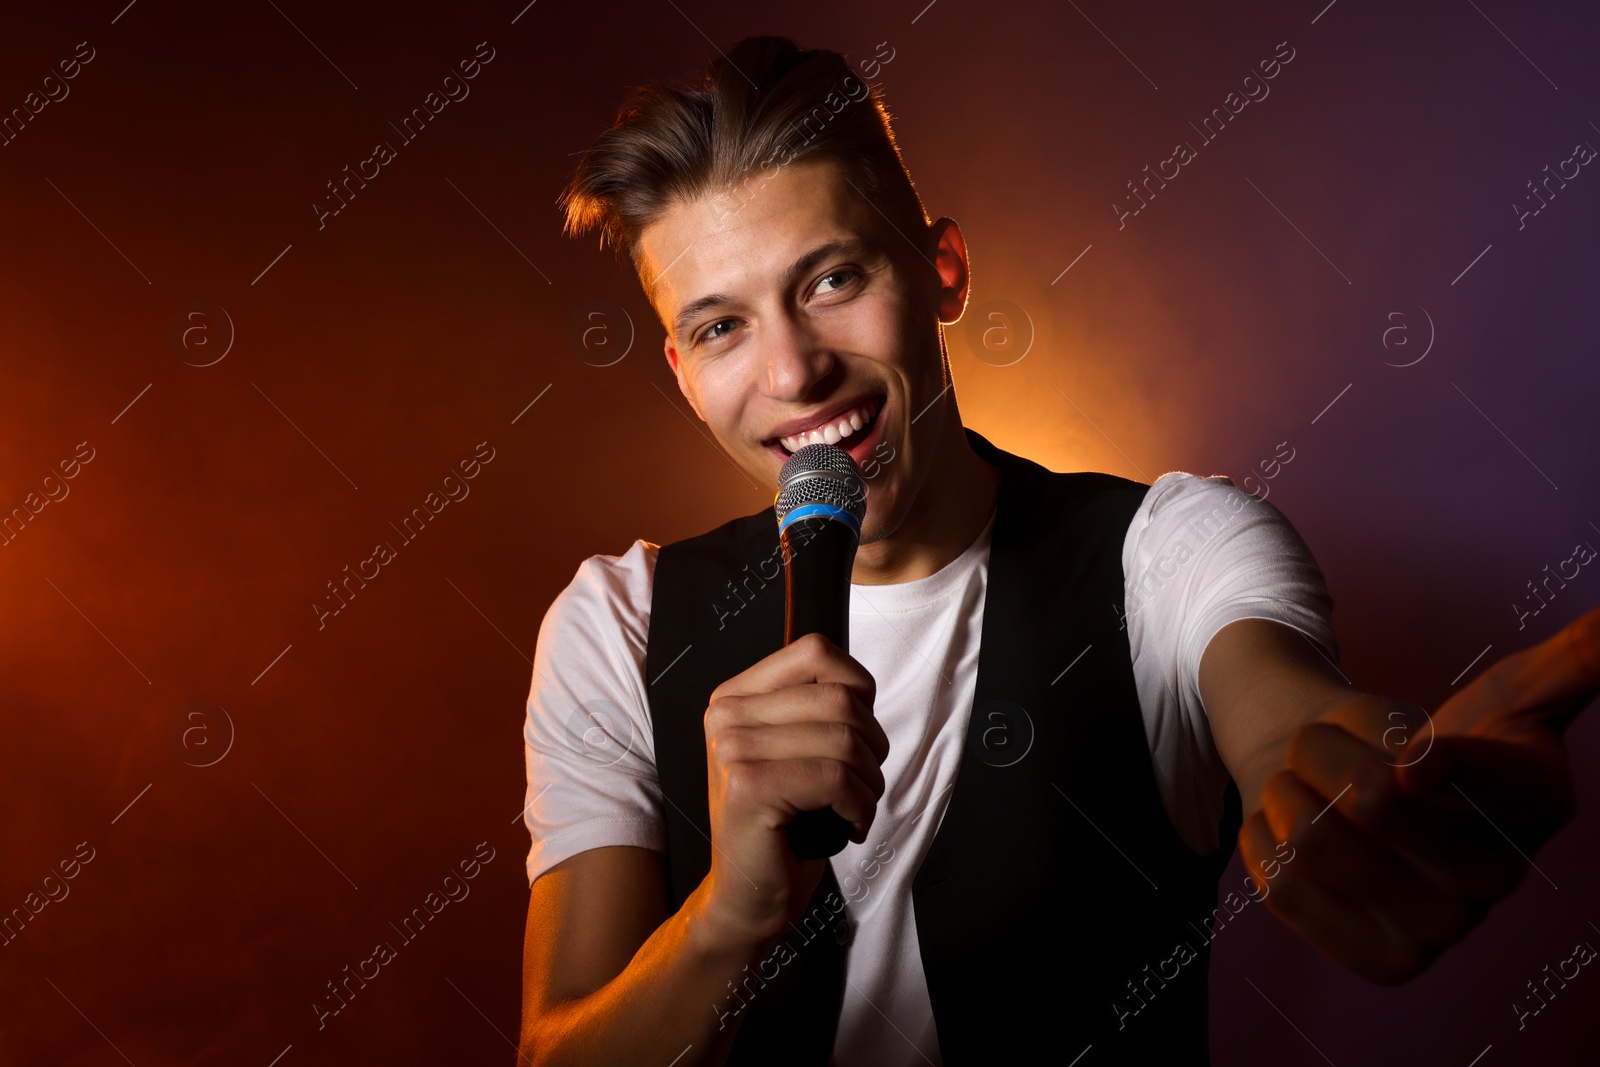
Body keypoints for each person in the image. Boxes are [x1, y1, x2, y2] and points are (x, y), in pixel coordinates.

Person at [516, 35, 1600, 1066]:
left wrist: (1357, 789)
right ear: (679, 370)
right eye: (720, 327)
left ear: (942, 272)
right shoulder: (618, 622)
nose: (793, 373)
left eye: (833, 279)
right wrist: (725, 920)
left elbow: (1285, 718)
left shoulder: (1170, 549)